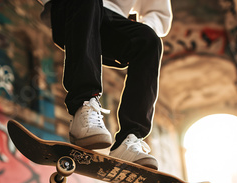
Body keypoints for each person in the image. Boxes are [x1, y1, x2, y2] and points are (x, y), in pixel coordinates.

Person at [39, 0, 172, 170]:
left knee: (148, 40)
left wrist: (142, 26)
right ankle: (84, 106)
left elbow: (159, 13)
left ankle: (129, 140)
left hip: (111, 19)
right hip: (71, 9)